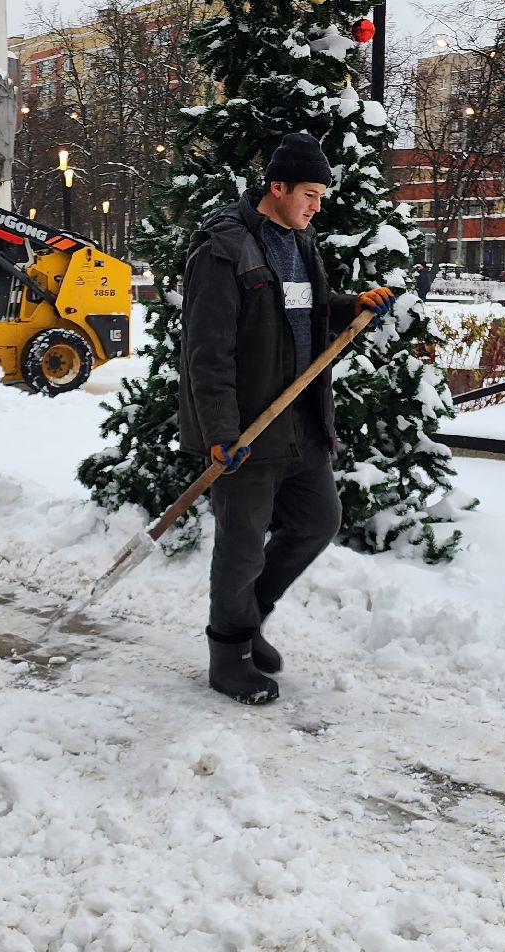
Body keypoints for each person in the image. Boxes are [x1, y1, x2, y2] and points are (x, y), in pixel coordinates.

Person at [178, 131, 396, 705]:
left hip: (299, 418)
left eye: (321, 196)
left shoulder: (302, 243)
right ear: (276, 187)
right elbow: (208, 351)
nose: (317, 206)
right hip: (247, 429)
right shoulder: (224, 250)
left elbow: (307, 312)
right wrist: (221, 433)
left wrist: (353, 306)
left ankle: (250, 620)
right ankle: (228, 654)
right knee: (243, 547)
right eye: (310, 194)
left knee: (318, 521)